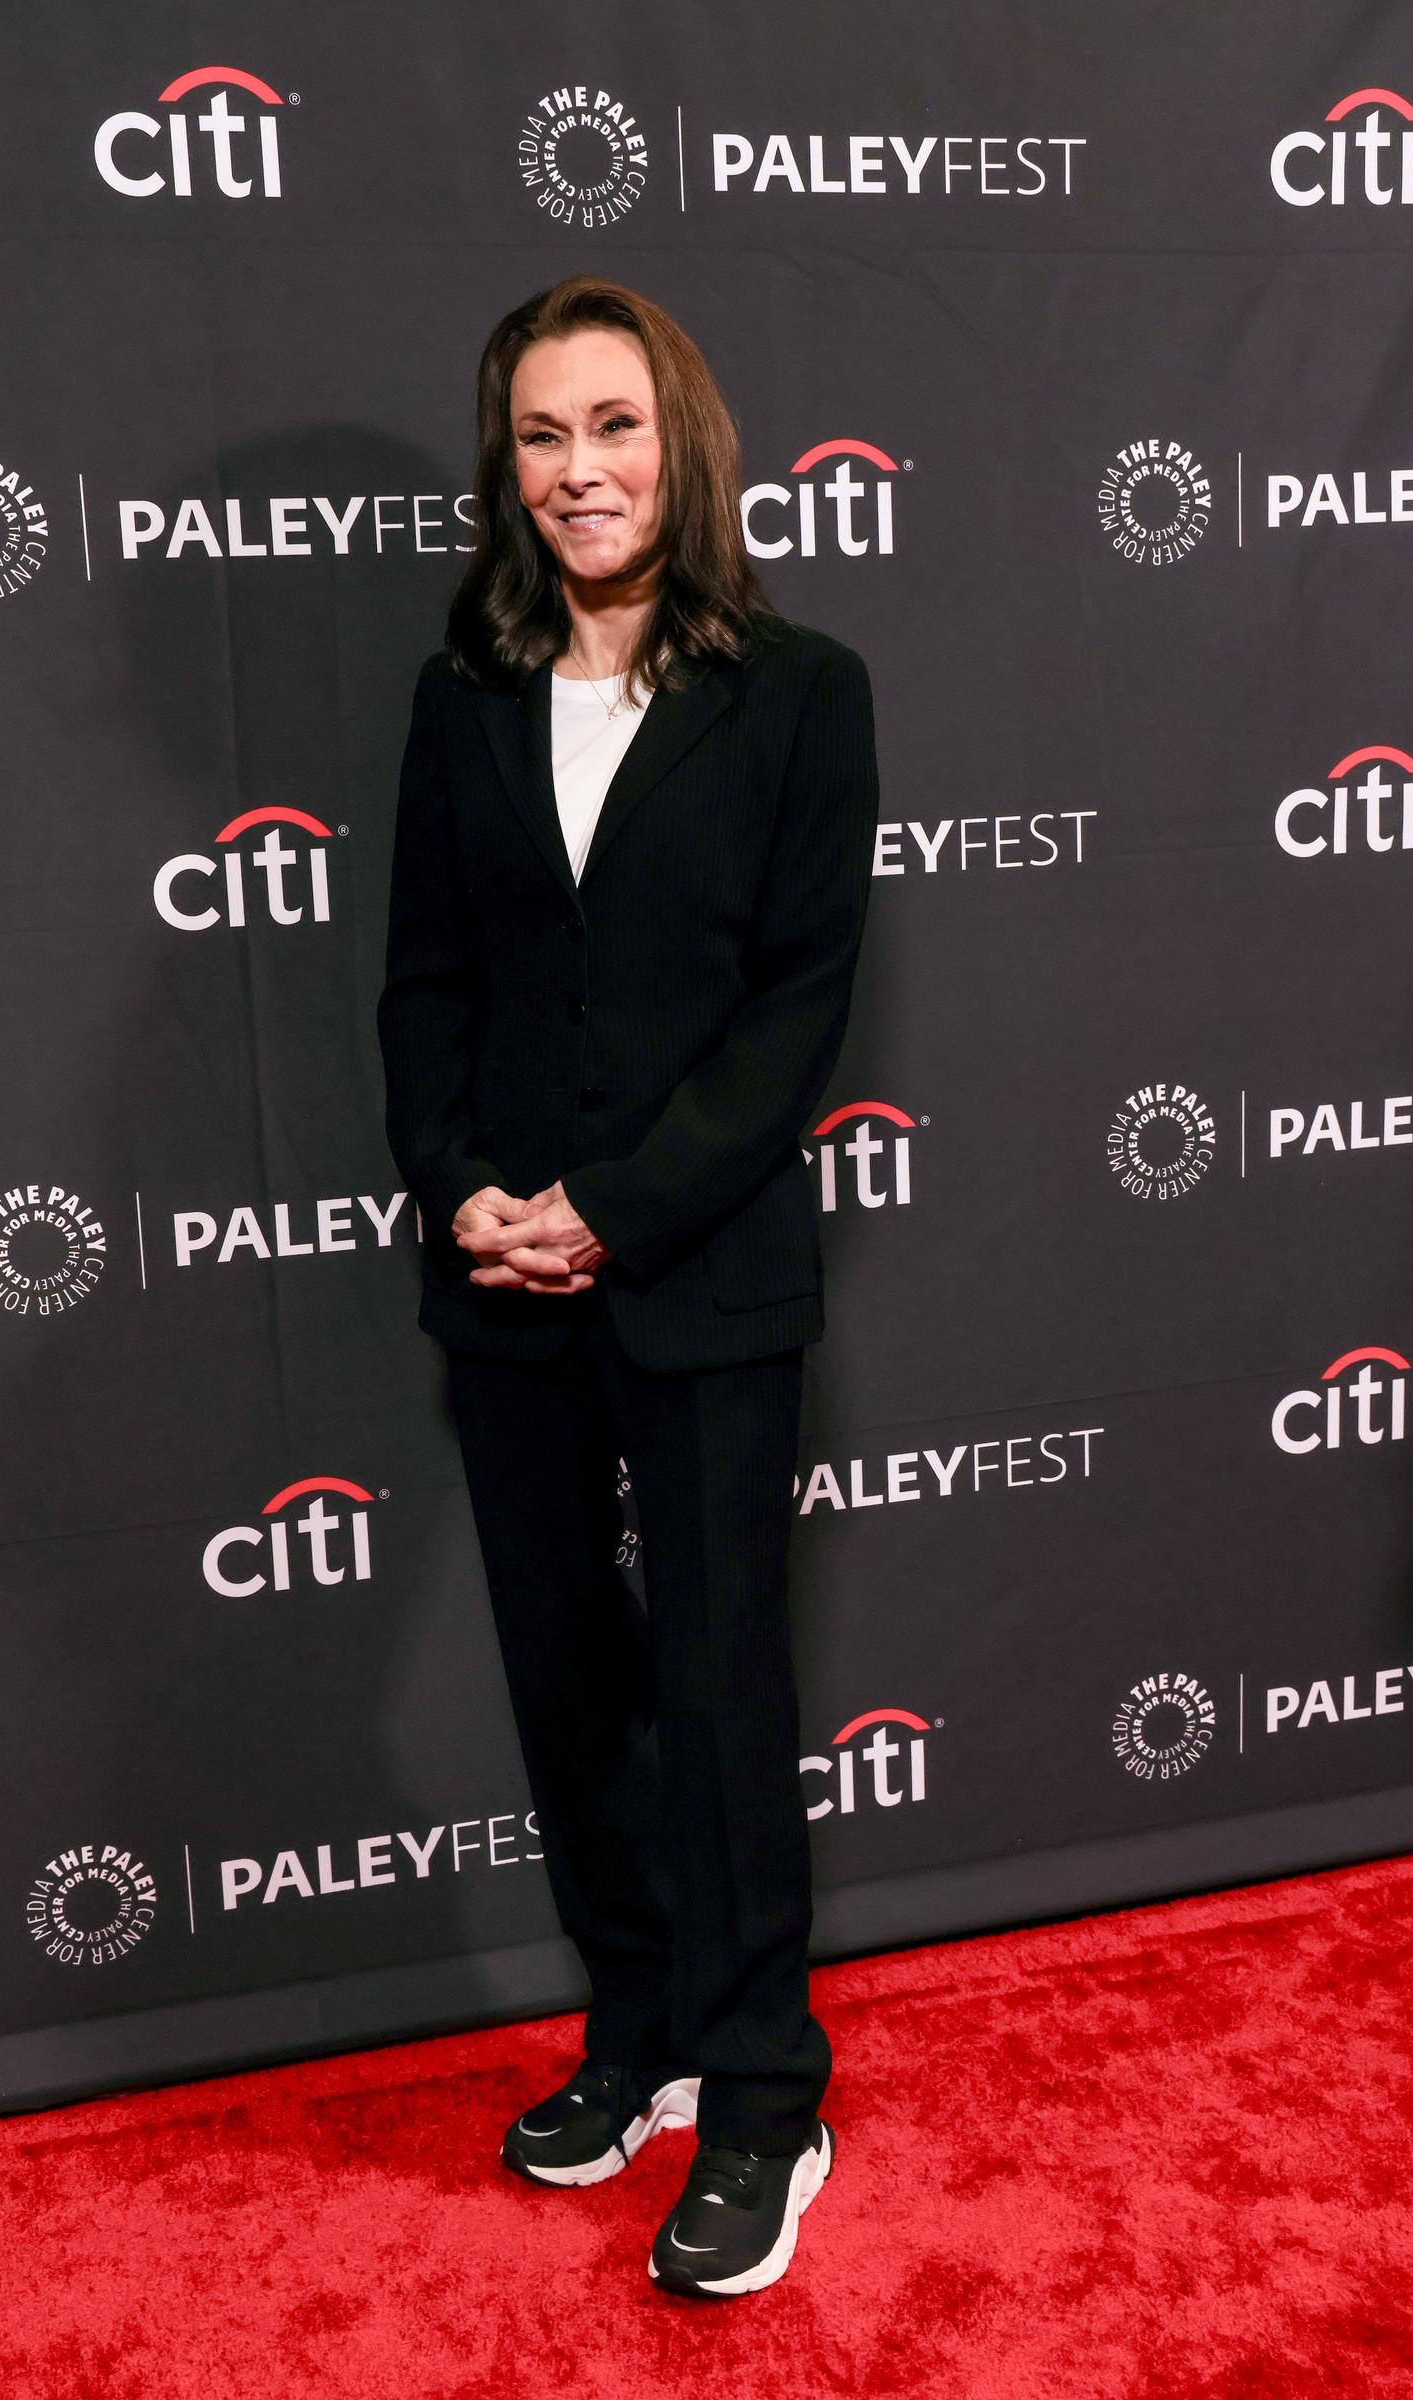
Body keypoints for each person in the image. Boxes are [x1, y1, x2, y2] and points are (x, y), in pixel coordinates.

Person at [376, 273, 878, 2298]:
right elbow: (419, 983)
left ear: (680, 436)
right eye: (540, 437)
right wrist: (463, 1186)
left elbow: (795, 1009)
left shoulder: (804, 690)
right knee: (569, 1686)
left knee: (725, 1691)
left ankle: (765, 2094)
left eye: (613, 426)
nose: (581, 471)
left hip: (698, 1272)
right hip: (505, 1280)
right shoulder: (462, 694)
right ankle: (644, 2034)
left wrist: (614, 1202)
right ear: (506, 468)